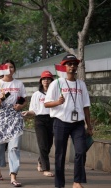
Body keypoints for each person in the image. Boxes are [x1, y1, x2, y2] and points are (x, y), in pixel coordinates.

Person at [44, 54, 93, 188]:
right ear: (64, 66)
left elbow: (86, 106)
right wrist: (57, 102)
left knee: (81, 151)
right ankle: (59, 184)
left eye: (74, 64)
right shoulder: (57, 83)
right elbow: (46, 104)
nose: (72, 66)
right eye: (69, 64)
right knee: (60, 154)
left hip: (78, 123)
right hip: (61, 122)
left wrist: (89, 126)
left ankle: (77, 182)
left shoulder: (81, 84)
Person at [0, 60, 27, 187]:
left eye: (12, 67)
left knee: (14, 147)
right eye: (7, 67)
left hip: (15, 118)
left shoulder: (19, 84)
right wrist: (0, 98)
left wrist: (20, 106)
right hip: (1, 118)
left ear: (14, 69)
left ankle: (13, 175)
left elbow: (23, 99)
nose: (9, 69)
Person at [22, 71, 55, 177]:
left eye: (48, 79)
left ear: (51, 81)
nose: (46, 81)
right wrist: (28, 113)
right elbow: (33, 110)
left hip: (52, 119)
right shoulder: (36, 95)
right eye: (44, 79)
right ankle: (46, 168)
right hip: (40, 120)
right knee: (42, 144)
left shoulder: (55, 94)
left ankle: (40, 161)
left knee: (49, 144)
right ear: (41, 81)